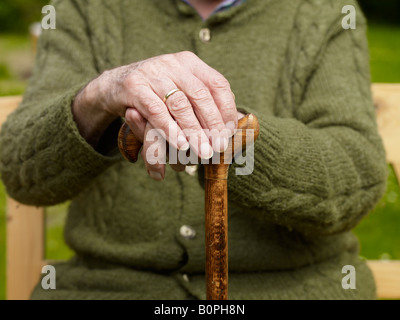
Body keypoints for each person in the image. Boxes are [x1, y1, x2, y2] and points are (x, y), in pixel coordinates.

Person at [0, 0, 387, 300]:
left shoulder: (326, 11)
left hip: (290, 288)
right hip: (113, 288)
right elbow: (22, 171)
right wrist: (98, 97)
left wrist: (229, 138)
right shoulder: (85, 8)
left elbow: (355, 178)